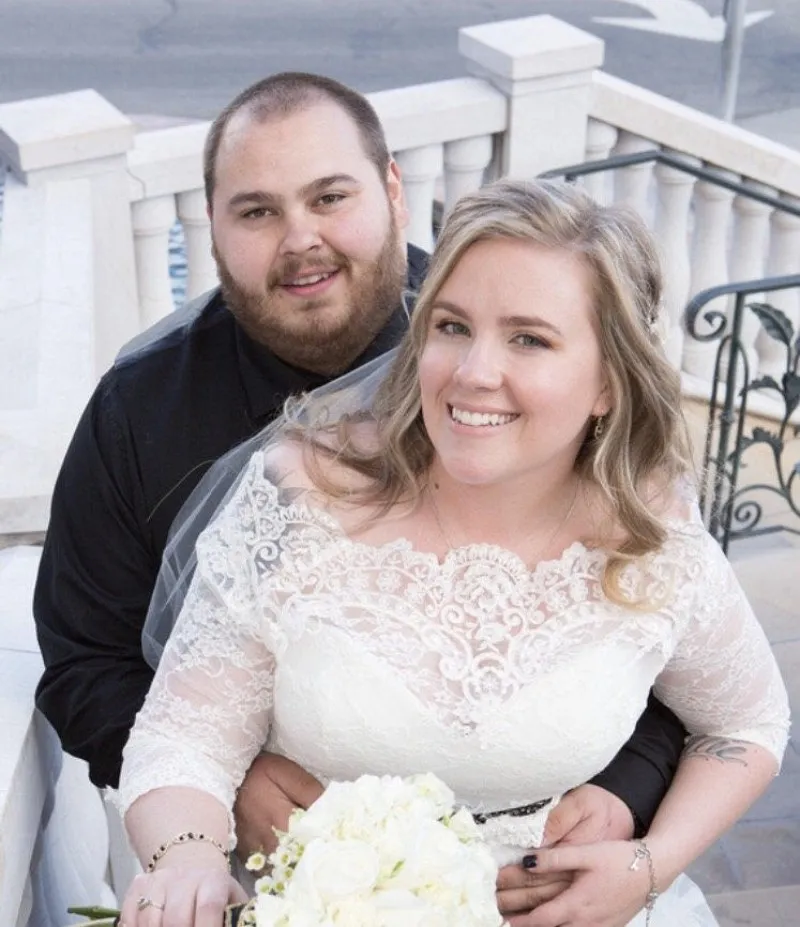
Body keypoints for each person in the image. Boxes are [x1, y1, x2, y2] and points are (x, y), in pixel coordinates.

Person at [33, 72, 685, 907]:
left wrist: (627, 791)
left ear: (392, 191)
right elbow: (84, 658)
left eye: (329, 196)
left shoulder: (519, 369)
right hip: (255, 875)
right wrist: (216, 796)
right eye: (258, 211)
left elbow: (678, 621)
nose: (301, 238)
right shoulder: (139, 407)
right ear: (214, 227)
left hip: (546, 877)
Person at [115, 178, 788, 927]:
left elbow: (745, 725)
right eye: (452, 326)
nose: (472, 373)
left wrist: (650, 864)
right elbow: (184, 735)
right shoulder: (302, 498)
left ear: (607, 382)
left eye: (529, 338)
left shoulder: (652, 537)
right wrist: (188, 857)